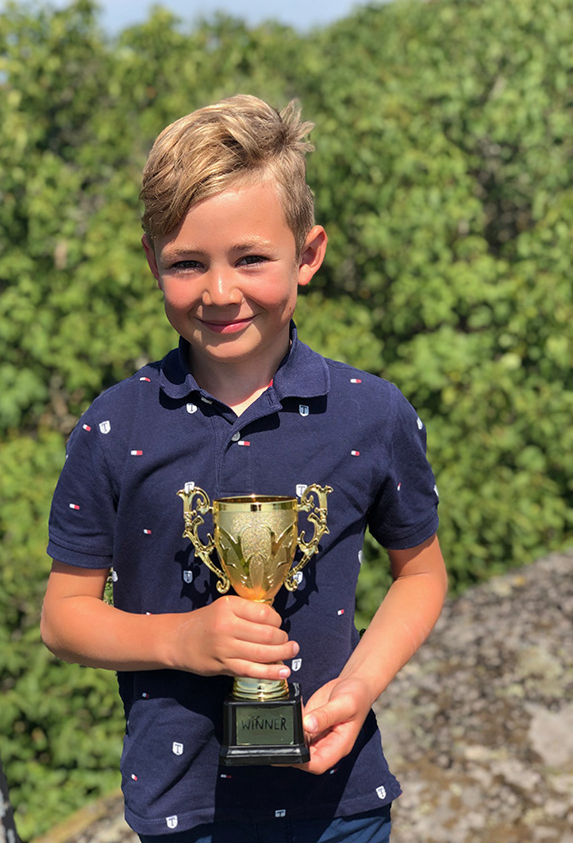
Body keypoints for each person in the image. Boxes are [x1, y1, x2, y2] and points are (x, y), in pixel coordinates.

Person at [41, 94, 447, 843]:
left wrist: (359, 687)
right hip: (182, 811)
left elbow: (421, 575)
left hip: (341, 804)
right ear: (152, 262)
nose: (220, 292)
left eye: (251, 258)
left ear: (308, 255)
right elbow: (63, 618)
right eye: (186, 263)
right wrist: (181, 640)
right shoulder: (114, 425)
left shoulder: (373, 414)